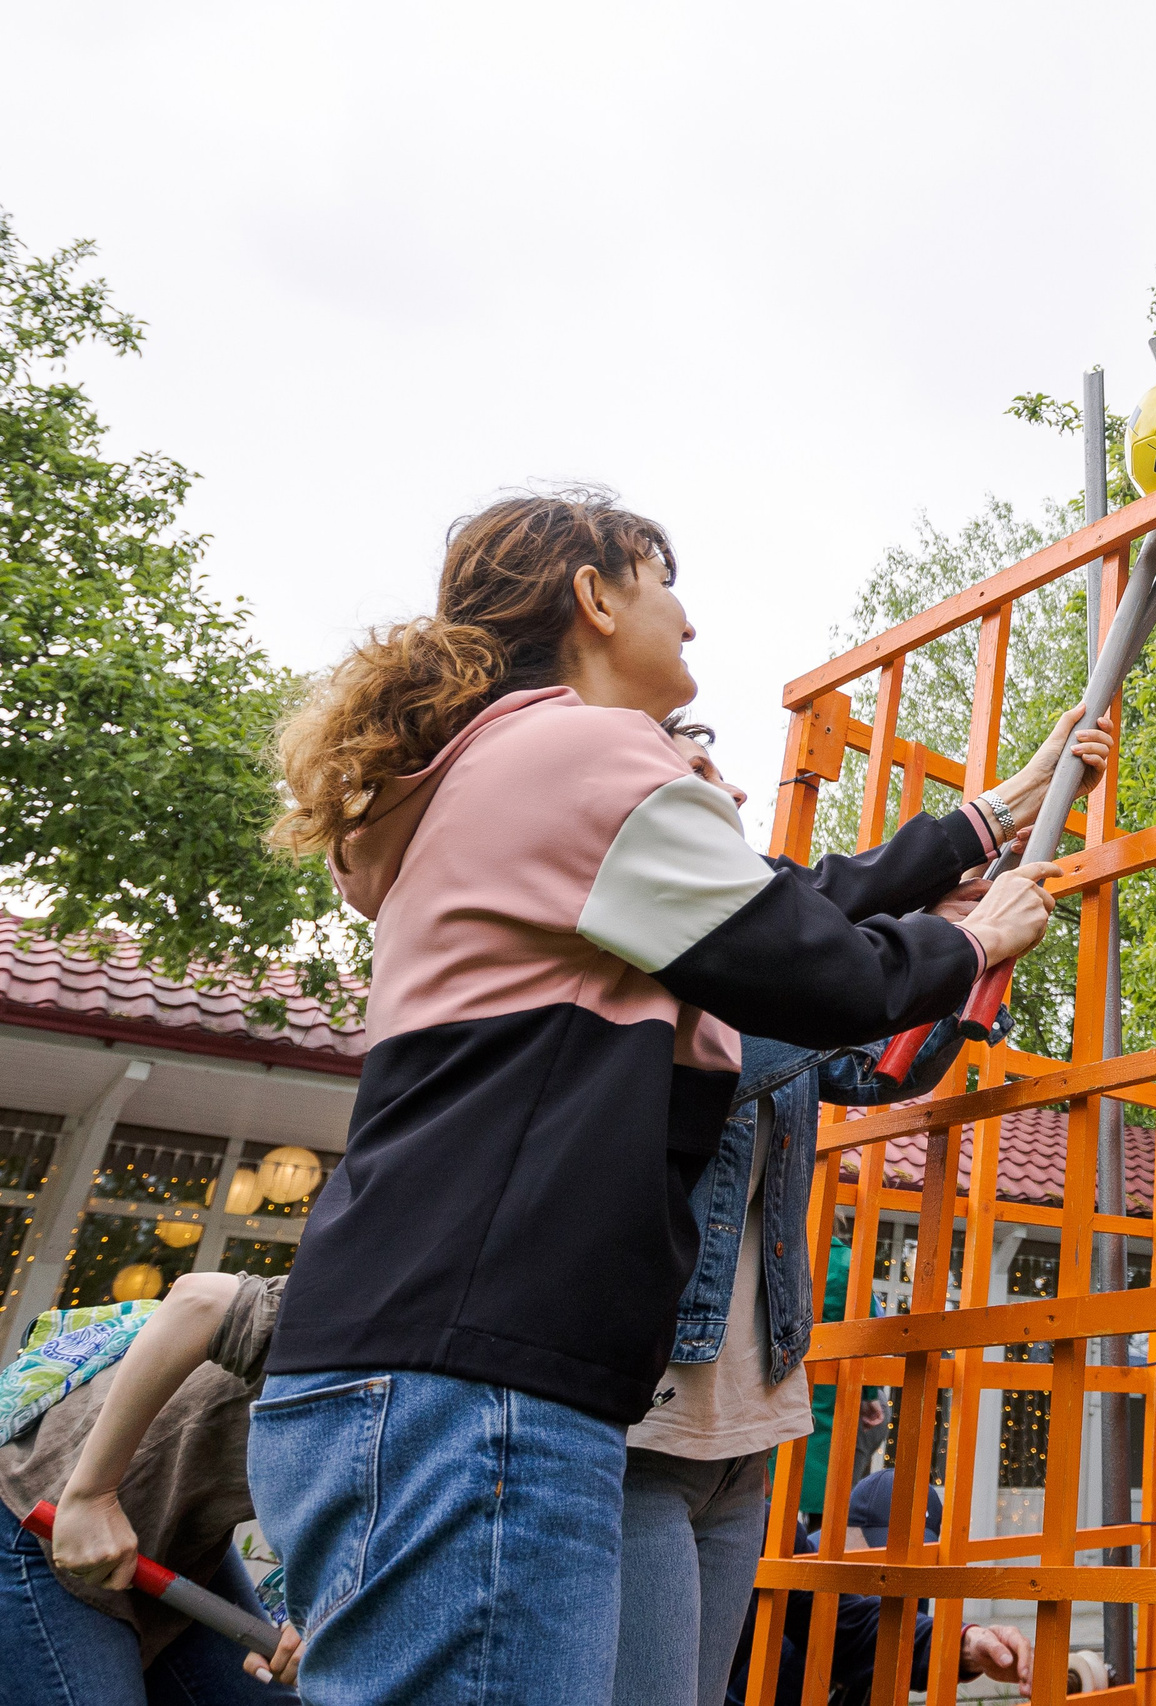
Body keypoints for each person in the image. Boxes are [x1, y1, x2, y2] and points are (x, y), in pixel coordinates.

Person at [254, 490, 1100, 1705]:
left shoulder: (480, 779)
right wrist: (973, 944)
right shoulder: (585, 751)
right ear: (596, 597)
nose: (689, 618)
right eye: (662, 579)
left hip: (407, 1357)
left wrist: (987, 815)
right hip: (480, 1372)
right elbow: (814, 960)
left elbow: (792, 893)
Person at [612, 725, 1003, 1706]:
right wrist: (937, 942)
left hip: (744, 1423)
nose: (735, 793)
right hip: (649, 1420)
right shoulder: (649, 959)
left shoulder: (767, 983)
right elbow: (780, 1028)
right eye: (704, 778)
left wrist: (963, 957)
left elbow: (876, 1063)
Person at [1, 1272, 302, 1703]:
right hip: (47, 1505)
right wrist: (92, 1494)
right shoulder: (391, 1314)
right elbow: (200, 1299)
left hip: (177, 1541)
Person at [727, 1470, 1044, 1703]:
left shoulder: (769, 1536)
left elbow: (861, 1631)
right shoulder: (789, 1576)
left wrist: (967, 1643)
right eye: (886, 1550)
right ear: (846, 1532)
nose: (898, 1573)